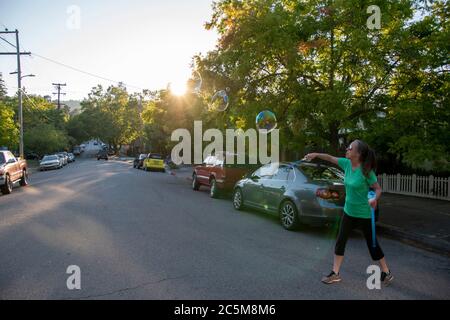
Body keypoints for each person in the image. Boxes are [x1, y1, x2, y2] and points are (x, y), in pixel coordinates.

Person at [304, 140, 394, 286]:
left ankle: (386, 272)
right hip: (348, 212)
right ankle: (335, 273)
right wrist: (316, 155)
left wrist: (374, 199)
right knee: (340, 241)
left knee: (373, 245)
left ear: (358, 153)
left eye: (350, 148)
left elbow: (378, 189)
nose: (347, 149)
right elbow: (330, 158)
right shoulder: (346, 163)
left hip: (364, 214)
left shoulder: (366, 171)